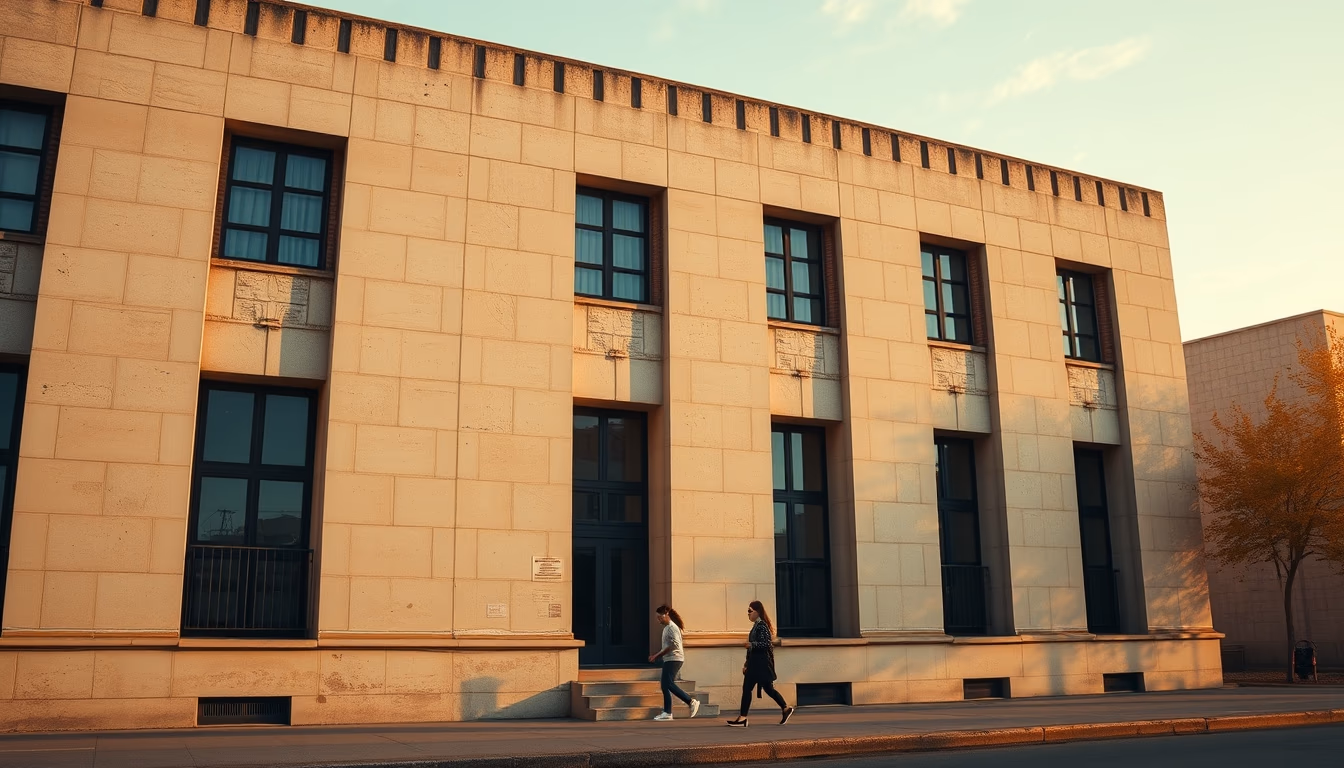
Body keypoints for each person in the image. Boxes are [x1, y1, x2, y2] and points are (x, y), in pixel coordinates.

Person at [726, 600, 793, 727]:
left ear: (757, 612)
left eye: (750, 611)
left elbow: (766, 644)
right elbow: (754, 647)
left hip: (759, 664)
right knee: (768, 688)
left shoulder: (762, 626)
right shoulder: (757, 625)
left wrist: (752, 644)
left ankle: (743, 718)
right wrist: (746, 663)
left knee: (747, 688)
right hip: (756, 663)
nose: (748, 614)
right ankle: (785, 708)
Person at [648, 604, 700, 721]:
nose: (658, 620)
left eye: (660, 617)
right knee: (665, 685)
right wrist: (658, 655)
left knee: (668, 684)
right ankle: (667, 712)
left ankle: (690, 701)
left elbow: (674, 645)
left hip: (674, 659)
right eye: (657, 618)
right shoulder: (667, 628)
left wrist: (657, 655)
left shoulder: (672, 627)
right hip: (670, 659)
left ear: (666, 615)